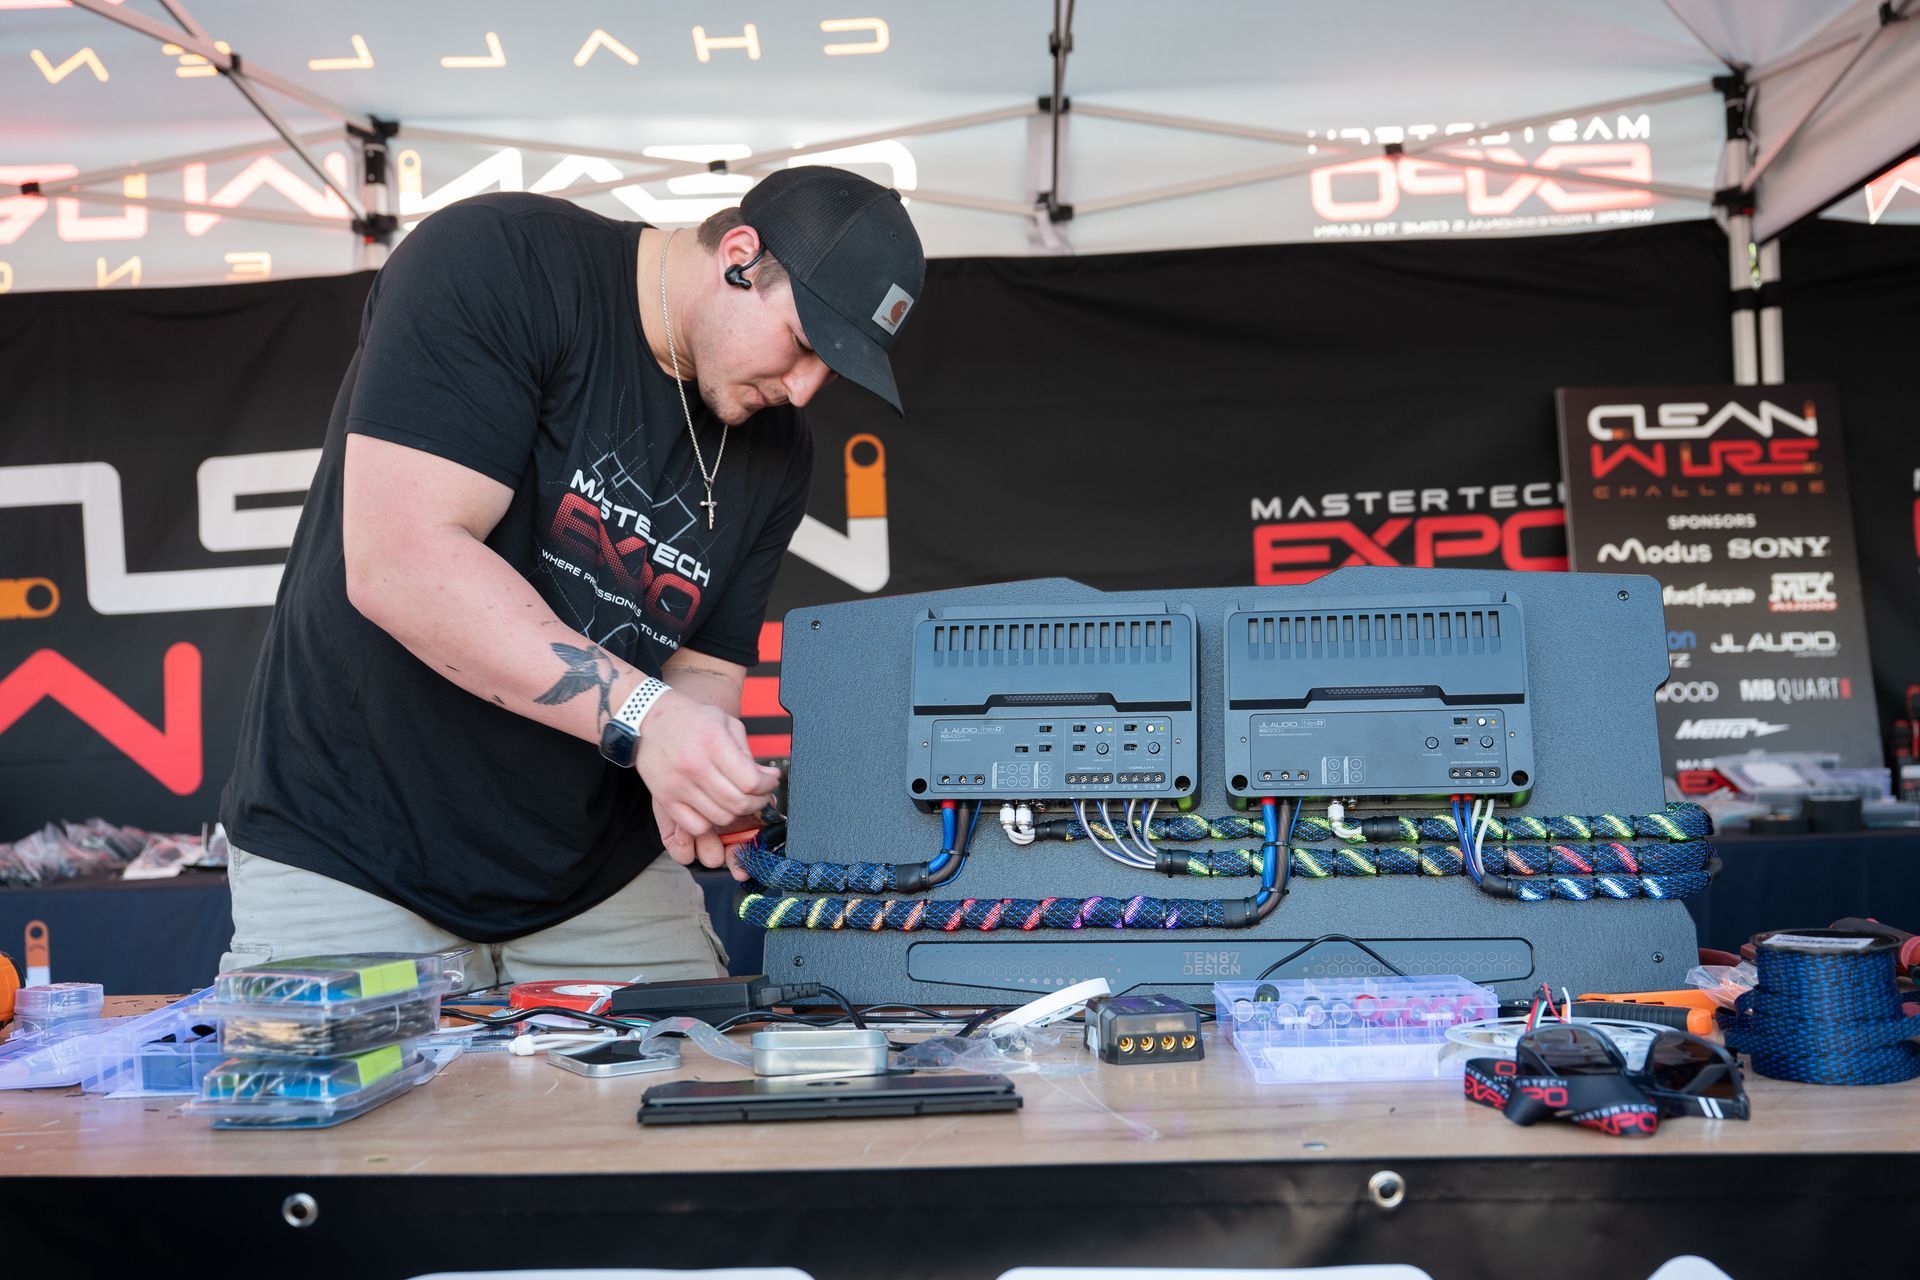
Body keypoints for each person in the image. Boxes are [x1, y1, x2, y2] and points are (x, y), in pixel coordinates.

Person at [218, 166, 925, 986]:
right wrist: (649, 719)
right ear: (740, 256)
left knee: (699, 1082)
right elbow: (401, 564)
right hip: (353, 849)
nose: (804, 389)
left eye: (831, 371)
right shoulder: (500, 261)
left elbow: (702, 665)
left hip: (593, 875)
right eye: (805, 345)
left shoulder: (777, 451)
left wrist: (703, 778)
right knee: (338, 1108)